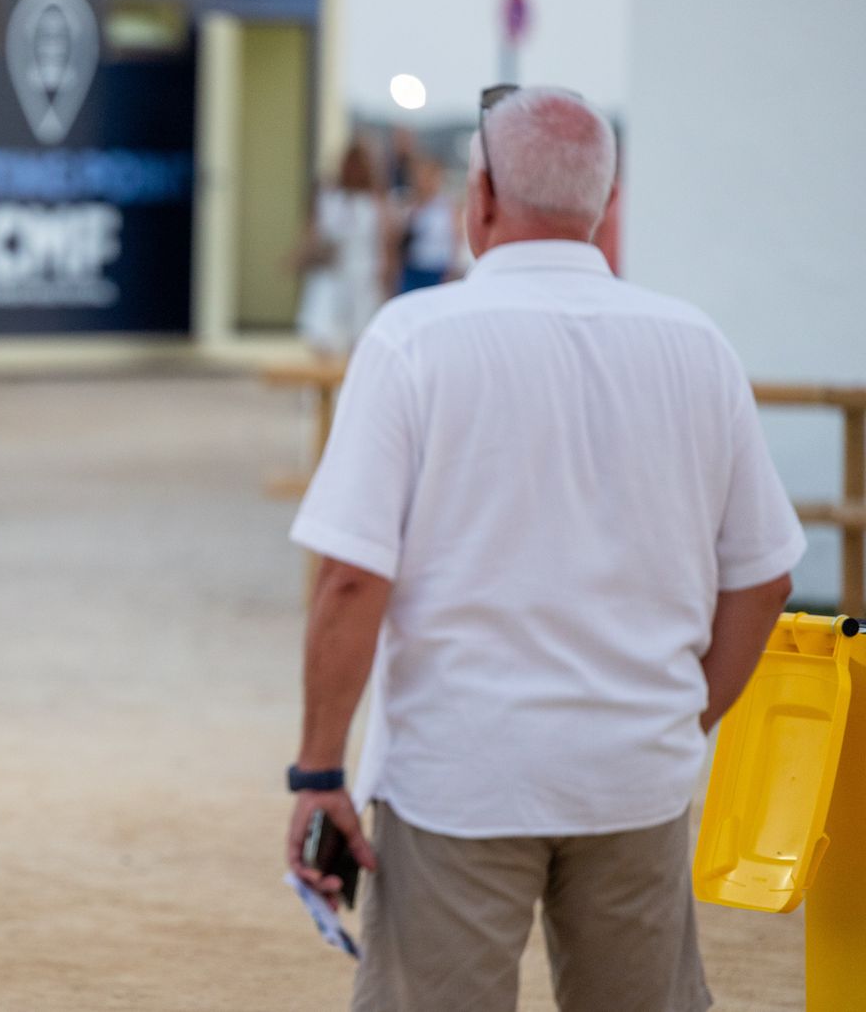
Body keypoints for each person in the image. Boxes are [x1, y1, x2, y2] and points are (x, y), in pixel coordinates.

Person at [284, 86, 805, 1012]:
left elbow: (353, 579)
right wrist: (682, 719)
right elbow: (764, 577)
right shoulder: (697, 346)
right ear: (606, 205)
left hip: (460, 776)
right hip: (634, 778)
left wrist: (319, 771)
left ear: (478, 198)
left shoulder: (413, 341)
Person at [293, 145, 385, 358]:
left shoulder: (374, 202)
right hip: (332, 278)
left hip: (363, 278)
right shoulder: (332, 198)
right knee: (324, 338)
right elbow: (315, 235)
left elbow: (383, 244)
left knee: (359, 341)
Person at [392, 158, 458, 294]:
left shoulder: (446, 206)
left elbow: (454, 239)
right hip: (413, 268)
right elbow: (399, 241)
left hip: (436, 268)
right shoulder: (409, 204)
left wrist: (451, 271)